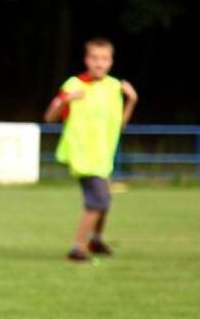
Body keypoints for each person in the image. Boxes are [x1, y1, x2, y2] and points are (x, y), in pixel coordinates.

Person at [44, 37, 138, 261]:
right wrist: (65, 100)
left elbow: (119, 125)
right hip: (83, 156)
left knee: (105, 200)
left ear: (111, 61)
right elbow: (50, 117)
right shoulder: (74, 85)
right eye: (94, 58)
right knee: (98, 201)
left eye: (104, 58)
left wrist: (132, 101)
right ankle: (77, 248)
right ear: (86, 59)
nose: (99, 63)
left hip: (102, 156)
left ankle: (95, 240)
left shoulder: (113, 87)